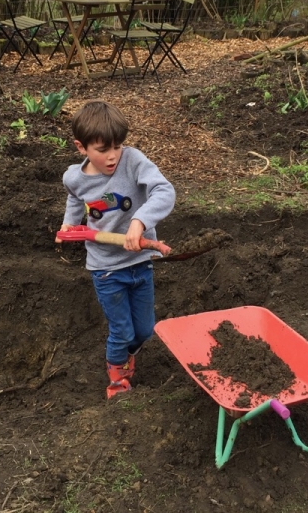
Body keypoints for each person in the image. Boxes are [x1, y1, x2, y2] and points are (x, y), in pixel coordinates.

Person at [58, 100, 176, 399]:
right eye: (102, 150)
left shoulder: (132, 161)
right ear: (81, 147)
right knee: (122, 332)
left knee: (145, 331)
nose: (112, 156)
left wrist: (139, 221)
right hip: (106, 269)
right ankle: (118, 383)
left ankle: (126, 357)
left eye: (117, 146)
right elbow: (75, 197)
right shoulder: (74, 177)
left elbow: (164, 190)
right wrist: (69, 224)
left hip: (140, 261)